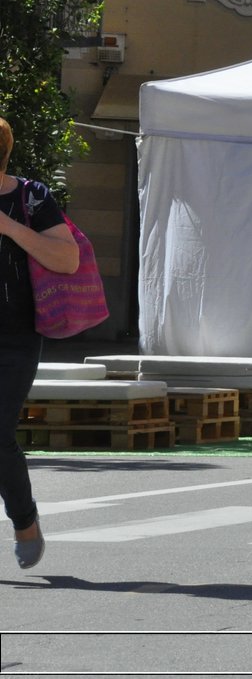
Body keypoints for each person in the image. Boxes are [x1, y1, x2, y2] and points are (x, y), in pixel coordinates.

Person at [0, 117, 80, 570]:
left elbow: (67, 259)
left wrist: (9, 228)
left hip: (14, 338)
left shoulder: (31, 197)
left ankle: (25, 521)